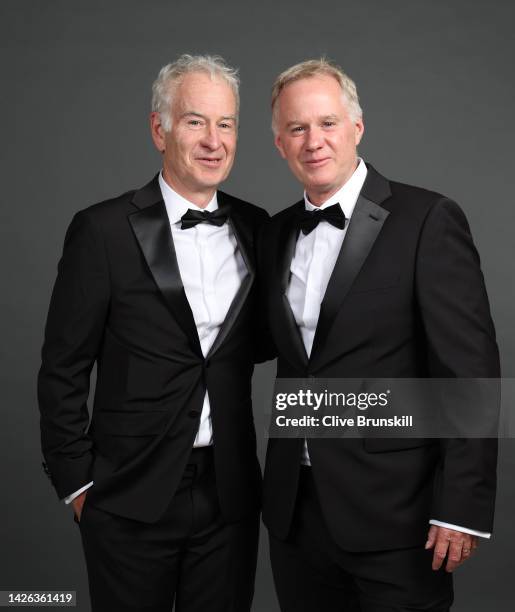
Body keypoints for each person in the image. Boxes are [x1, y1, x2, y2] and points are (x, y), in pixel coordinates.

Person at [260, 58, 499, 611]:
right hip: (295, 515)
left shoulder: (427, 218)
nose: (313, 141)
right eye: (297, 129)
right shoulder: (274, 233)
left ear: (357, 128)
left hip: (400, 515)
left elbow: (469, 373)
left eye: (327, 123)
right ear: (279, 144)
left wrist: (460, 506)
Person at [38, 54, 268, 612]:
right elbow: (63, 368)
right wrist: (79, 486)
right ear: (158, 128)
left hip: (230, 494)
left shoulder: (260, 227)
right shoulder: (101, 231)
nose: (214, 140)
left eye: (226, 123)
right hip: (126, 495)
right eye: (195, 121)